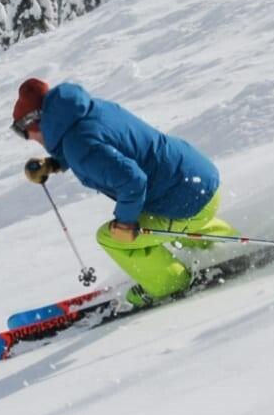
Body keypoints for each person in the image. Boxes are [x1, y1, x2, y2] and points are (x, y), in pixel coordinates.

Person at [12, 77, 236, 307]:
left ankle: (168, 283)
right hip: (200, 180)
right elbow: (101, 145)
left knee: (112, 237)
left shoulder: (80, 145)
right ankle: (224, 244)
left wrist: (125, 224)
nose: (30, 140)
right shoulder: (91, 110)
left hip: (183, 204)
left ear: (35, 123)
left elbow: (132, 180)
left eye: (24, 133)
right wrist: (54, 164)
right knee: (158, 210)